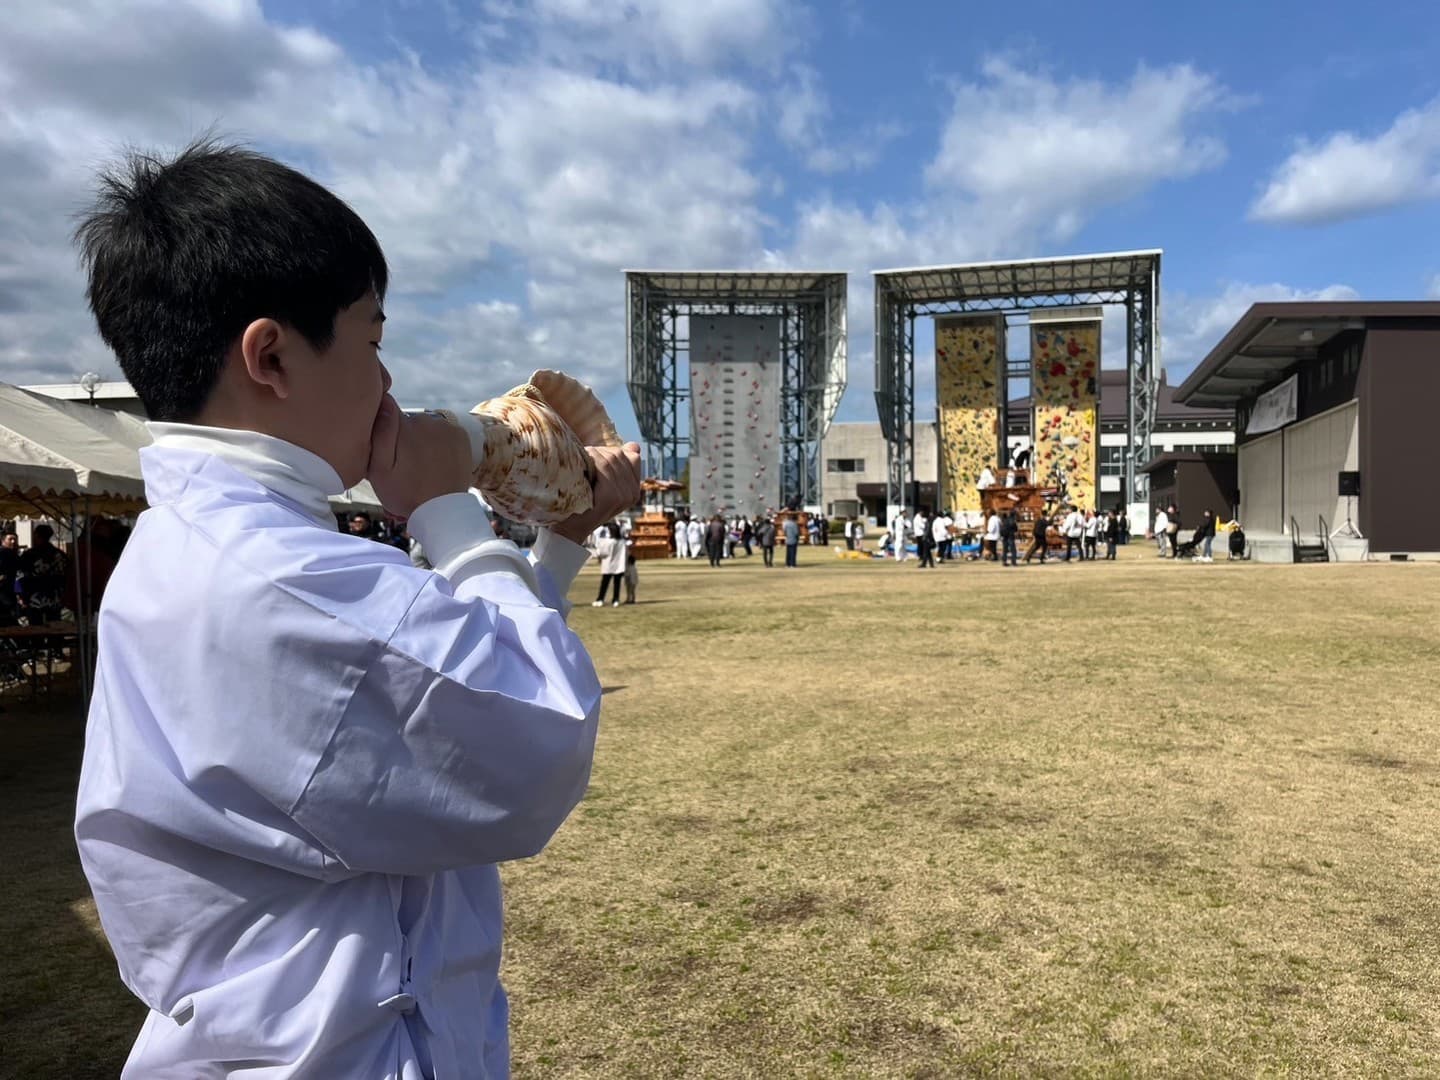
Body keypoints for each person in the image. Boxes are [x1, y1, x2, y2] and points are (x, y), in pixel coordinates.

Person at [70, 138, 641, 1078]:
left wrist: (566, 538)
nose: (387, 383)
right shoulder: (282, 579)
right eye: (372, 342)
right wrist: (446, 510)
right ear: (271, 356)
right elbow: (532, 735)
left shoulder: (215, 549)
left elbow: (449, 681)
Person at [17, 523, 68, 625]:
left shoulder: (29, 555)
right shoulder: (59, 555)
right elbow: (66, 576)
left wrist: (20, 595)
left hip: (35, 598)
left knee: (36, 629)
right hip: (53, 598)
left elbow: (20, 576)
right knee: (55, 628)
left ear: (37, 536)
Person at [590, 520, 625, 606]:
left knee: (604, 584)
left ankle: (600, 599)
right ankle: (615, 600)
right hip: (619, 565)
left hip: (608, 565)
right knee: (617, 584)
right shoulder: (622, 542)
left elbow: (603, 553)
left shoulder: (608, 542)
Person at [622, 526, 638, 604]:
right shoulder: (623, 542)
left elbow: (632, 550)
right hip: (625, 565)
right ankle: (628, 598)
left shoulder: (629, 543)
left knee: (632, 582)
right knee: (627, 583)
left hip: (630, 565)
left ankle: (632, 597)